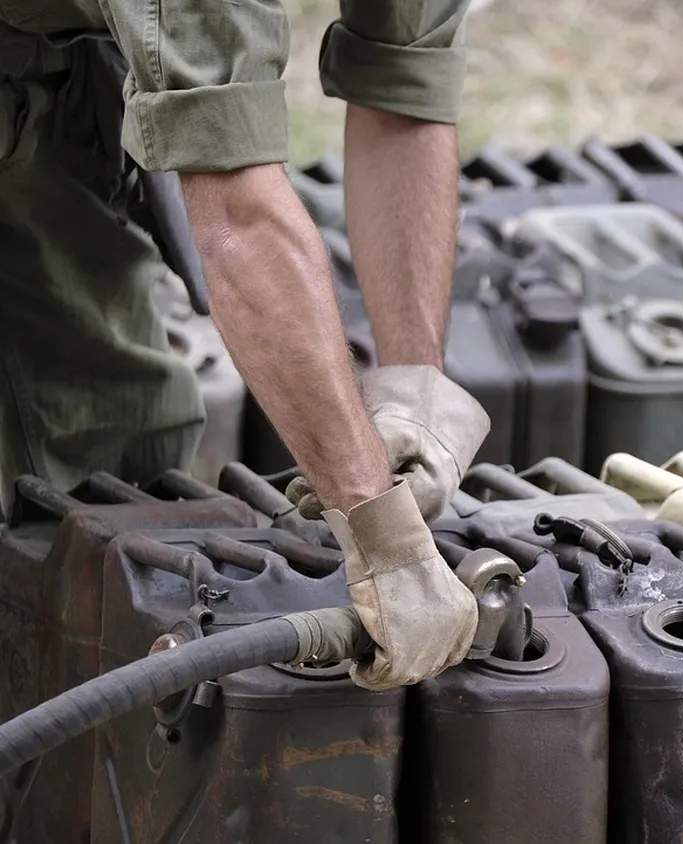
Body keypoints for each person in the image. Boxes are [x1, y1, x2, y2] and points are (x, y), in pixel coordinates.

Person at [0, 0, 490, 691]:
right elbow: (237, 213)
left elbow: (402, 90)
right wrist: (380, 537)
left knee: (112, 465)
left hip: (46, 57)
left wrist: (415, 380)